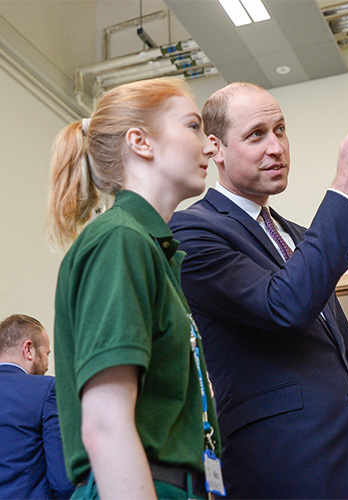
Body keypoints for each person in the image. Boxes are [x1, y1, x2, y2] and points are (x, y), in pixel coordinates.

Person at [168, 82, 348, 499]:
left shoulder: (299, 237)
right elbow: (283, 305)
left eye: (281, 130)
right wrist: (346, 189)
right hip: (277, 470)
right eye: (256, 134)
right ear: (215, 147)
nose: (276, 147)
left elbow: (347, 358)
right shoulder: (191, 231)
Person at [48, 77, 223, 499]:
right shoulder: (120, 241)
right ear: (140, 142)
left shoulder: (152, 249)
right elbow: (105, 424)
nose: (211, 145)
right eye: (193, 126)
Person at [0, 314, 74, 499]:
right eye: (47, 354)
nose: (47, 364)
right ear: (29, 349)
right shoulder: (46, 390)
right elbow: (63, 483)